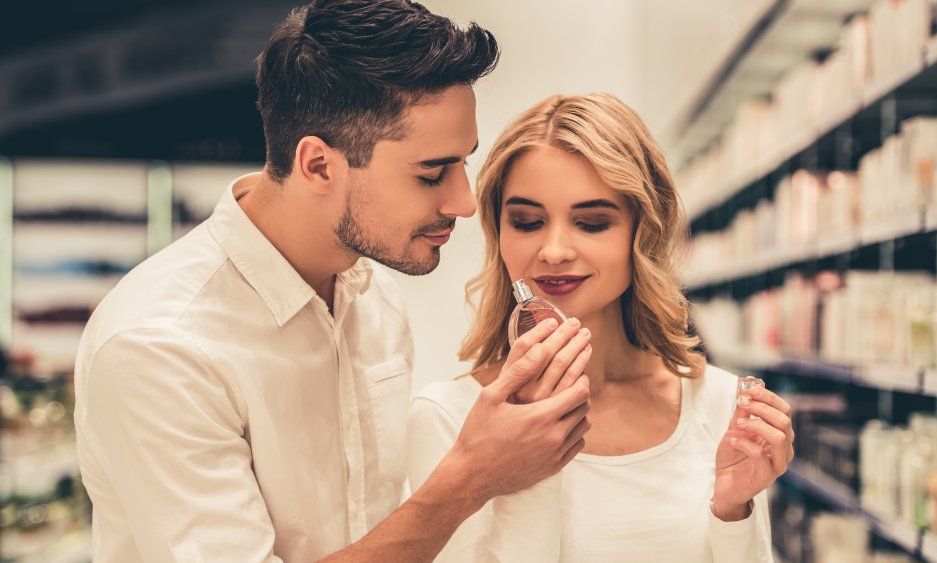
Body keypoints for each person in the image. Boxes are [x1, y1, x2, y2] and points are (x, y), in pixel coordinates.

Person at [72, 2, 592, 562]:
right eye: (430, 172)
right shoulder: (159, 346)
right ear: (318, 165)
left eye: (463, 163)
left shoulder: (372, 296)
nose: (464, 203)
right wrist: (469, 477)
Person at [406, 93, 795, 562]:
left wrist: (733, 514)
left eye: (591, 223)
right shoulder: (449, 418)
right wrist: (528, 461)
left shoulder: (718, 403)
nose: (553, 250)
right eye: (527, 222)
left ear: (643, 230)